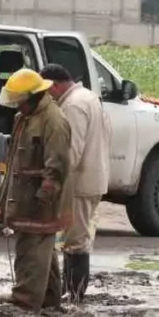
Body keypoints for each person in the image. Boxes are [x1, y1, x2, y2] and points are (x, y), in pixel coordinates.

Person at [0, 68, 73, 312]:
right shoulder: (25, 118)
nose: (17, 106)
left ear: (33, 96)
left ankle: (26, 299)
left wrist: (45, 194)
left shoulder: (54, 121)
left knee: (32, 248)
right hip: (24, 195)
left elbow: (57, 165)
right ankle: (50, 297)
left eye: (20, 101)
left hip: (41, 199)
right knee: (42, 250)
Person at [39, 63, 112, 303]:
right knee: (78, 236)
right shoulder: (89, 97)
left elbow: (72, 149)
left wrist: (56, 179)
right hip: (94, 176)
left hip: (80, 181)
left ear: (55, 85)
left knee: (76, 240)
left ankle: (75, 292)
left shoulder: (73, 105)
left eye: (47, 91)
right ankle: (72, 289)